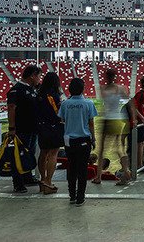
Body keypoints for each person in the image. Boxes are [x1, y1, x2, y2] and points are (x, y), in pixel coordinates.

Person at [59, 77, 97, 206]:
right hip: (84, 139)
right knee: (82, 169)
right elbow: (91, 123)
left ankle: (72, 195)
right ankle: (80, 196)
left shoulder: (65, 104)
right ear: (82, 89)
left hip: (69, 140)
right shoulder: (88, 103)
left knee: (72, 167)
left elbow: (62, 120)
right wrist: (93, 138)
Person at [7, 64, 42, 193]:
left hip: (32, 128)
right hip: (21, 129)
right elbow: (11, 108)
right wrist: (12, 128)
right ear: (32, 76)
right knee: (19, 155)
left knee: (29, 155)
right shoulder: (17, 89)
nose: (39, 79)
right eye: (38, 76)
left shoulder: (32, 89)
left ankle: (27, 177)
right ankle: (18, 182)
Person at [96, 68, 129, 184]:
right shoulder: (120, 88)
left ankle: (98, 177)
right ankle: (126, 171)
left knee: (101, 151)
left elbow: (104, 107)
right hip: (117, 119)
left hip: (108, 119)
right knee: (118, 149)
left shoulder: (103, 89)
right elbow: (128, 100)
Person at [36, 71, 64, 195]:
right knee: (53, 154)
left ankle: (42, 179)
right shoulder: (53, 96)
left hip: (41, 127)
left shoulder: (39, 94)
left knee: (43, 153)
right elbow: (58, 113)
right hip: (53, 127)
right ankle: (48, 181)